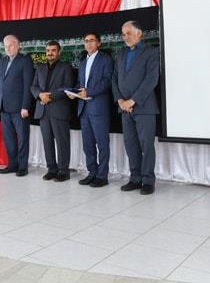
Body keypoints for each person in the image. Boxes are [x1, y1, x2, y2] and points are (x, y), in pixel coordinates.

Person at [112, 21, 160, 195]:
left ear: (139, 33)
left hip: (144, 108)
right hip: (124, 108)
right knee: (130, 145)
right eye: (123, 34)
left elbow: (151, 80)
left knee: (147, 146)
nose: (125, 37)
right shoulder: (121, 53)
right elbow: (114, 79)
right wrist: (120, 101)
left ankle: (148, 180)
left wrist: (132, 101)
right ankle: (135, 178)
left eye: (129, 33)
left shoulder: (151, 52)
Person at [72, 32, 113, 187]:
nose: (88, 43)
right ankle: (92, 172)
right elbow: (79, 83)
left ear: (99, 43)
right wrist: (73, 92)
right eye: (86, 41)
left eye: (92, 40)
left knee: (102, 144)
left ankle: (102, 176)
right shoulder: (83, 62)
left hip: (98, 108)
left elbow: (107, 82)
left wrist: (89, 92)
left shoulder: (106, 60)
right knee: (87, 144)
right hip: (84, 109)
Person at [30, 41, 74, 182]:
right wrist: (39, 95)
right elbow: (33, 86)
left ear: (59, 52)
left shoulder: (66, 67)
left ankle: (63, 171)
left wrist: (49, 97)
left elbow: (68, 87)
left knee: (62, 142)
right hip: (43, 110)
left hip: (58, 109)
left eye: (53, 50)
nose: (50, 53)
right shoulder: (40, 67)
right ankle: (52, 169)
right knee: (47, 141)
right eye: (48, 50)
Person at [0, 35, 34, 176]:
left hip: (19, 109)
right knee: (8, 139)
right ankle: (12, 164)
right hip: (3, 108)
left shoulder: (25, 61)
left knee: (22, 138)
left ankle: (22, 167)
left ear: (18, 46)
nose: (8, 48)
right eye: (6, 46)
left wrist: (25, 106)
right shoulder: (2, 61)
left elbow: (28, 85)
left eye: (10, 45)